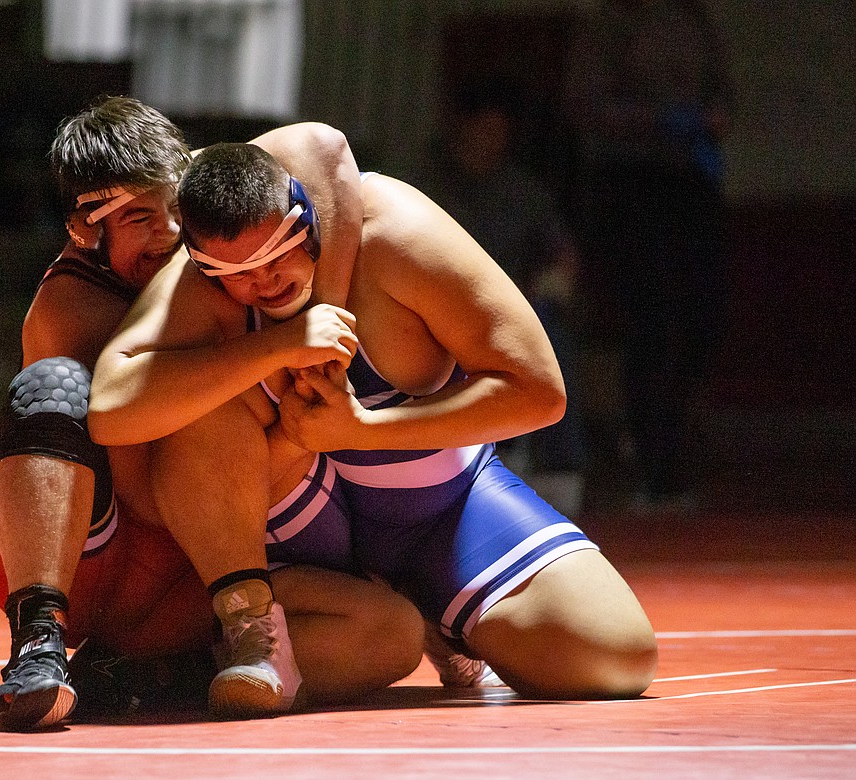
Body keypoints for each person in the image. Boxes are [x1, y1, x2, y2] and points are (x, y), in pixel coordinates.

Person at [90, 141, 659, 700]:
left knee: (615, 656)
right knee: (192, 410)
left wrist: (361, 428)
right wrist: (276, 352)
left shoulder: (393, 232)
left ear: (307, 214)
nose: (263, 281)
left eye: (279, 251)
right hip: (294, 538)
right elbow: (110, 410)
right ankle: (239, 637)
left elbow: (540, 392)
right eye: (238, 272)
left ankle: (442, 607)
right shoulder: (207, 269)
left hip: (441, 506)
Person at [0, 96, 423, 730]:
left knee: (390, 631)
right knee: (53, 386)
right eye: (135, 218)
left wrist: (323, 321)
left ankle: (156, 674)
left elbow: (322, 146)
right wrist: (281, 352)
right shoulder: (72, 309)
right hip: (96, 547)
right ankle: (38, 640)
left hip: (194, 544)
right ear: (83, 230)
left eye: (170, 211)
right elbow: (149, 498)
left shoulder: (221, 254)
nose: (164, 236)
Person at [561, 0, 733, 509]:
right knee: (652, 318)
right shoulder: (610, 22)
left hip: (692, 181)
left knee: (705, 314)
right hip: (629, 185)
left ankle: (673, 440)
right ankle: (656, 461)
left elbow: (723, 95)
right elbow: (583, 106)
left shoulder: (696, 19)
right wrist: (660, 121)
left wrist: (709, 122)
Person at [413, 78, 588, 516]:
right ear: (457, 130)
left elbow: (563, 255)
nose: (485, 143)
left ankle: (559, 473)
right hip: (429, 317)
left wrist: (548, 287)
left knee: (551, 334)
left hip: (507, 315)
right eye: (477, 132)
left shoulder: (523, 192)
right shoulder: (419, 184)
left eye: (495, 133)